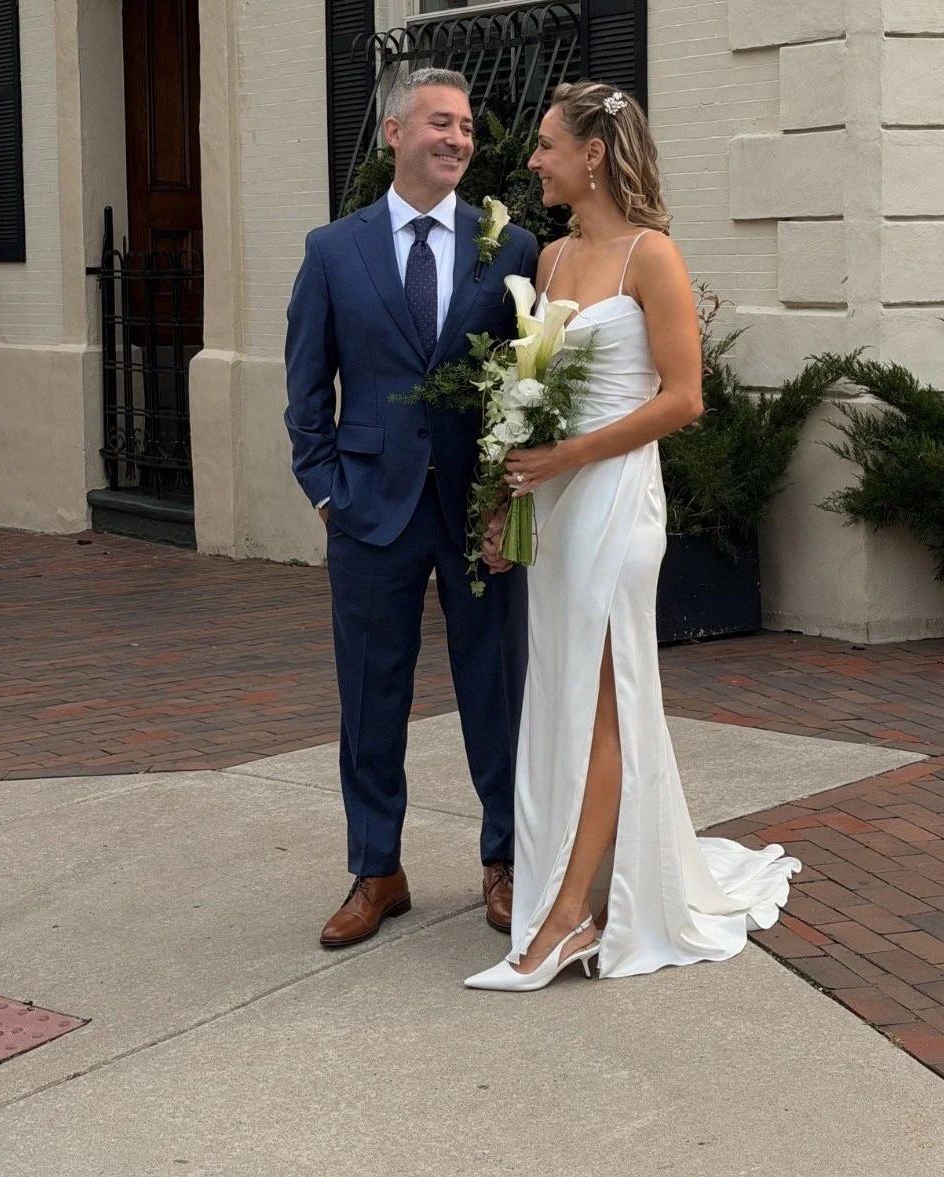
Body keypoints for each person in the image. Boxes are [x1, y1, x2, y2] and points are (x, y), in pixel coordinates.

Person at [465, 79, 800, 991]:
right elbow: (528, 398)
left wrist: (569, 454)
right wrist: (505, 501)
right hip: (555, 506)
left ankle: (571, 917)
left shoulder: (653, 256)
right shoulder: (550, 259)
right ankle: (572, 886)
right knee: (561, 694)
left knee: (605, 698)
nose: (533, 159)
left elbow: (683, 398)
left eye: (546, 144)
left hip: (616, 501)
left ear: (594, 154)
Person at [286, 67, 539, 949]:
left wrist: (511, 501)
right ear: (395, 132)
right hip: (369, 510)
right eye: (441, 122)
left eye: (466, 126)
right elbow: (305, 390)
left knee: (496, 687)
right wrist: (328, 492)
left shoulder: (511, 247)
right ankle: (376, 870)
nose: (459, 138)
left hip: (479, 512)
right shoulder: (333, 250)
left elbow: (531, 380)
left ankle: (505, 859)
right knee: (370, 693)